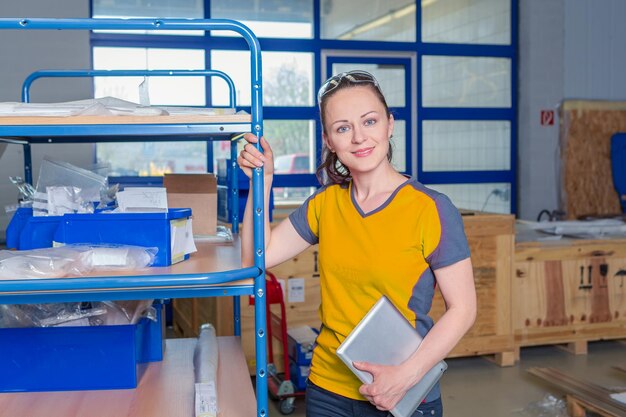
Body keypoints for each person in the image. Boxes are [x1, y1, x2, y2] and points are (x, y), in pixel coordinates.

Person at [238, 70, 477, 417]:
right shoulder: (325, 204)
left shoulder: (430, 209)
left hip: (403, 392)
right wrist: (264, 181)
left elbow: (464, 309)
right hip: (327, 390)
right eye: (343, 127)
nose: (359, 138)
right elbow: (256, 258)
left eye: (369, 121)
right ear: (329, 140)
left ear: (390, 124)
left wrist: (404, 377)